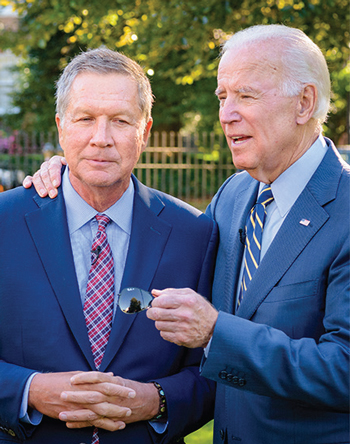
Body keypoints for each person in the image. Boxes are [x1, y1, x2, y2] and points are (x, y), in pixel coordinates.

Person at [25, 25, 350, 443]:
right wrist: (72, 168)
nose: (226, 113)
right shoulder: (236, 195)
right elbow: (166, 244)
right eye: (222, 96)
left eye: (246, 95)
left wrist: (216, 333)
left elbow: (343, 369)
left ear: (304, 103)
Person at [0, 47, 218, 444]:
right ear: (61, 126)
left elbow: (215, 368)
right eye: (85, 119)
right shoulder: (4, 222)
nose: (101, 139)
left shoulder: (194, 234)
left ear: (146, 131)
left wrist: (157, 400)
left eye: (120, 121)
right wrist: (29, 390)